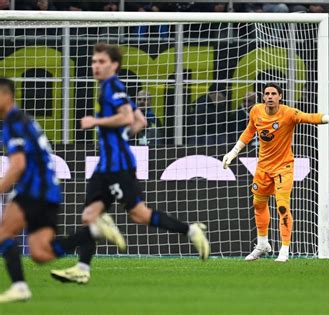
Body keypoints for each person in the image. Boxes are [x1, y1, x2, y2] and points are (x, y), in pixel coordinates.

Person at [50, 43, 210, 284]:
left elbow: (126, 118)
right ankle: (82, 267)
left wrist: (96, 121)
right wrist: (121, 135)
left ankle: (191, 231)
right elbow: (140, 121)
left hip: (117, 165)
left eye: (101, 62)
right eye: (94, 61)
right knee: (90, 215)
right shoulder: (112, 87)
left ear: (113, 65)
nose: (96, 66)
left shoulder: (112, 86)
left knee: (139, 216)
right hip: (106, 164)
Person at [0, 78, 117, 303]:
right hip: (48, 189)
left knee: (4, 233)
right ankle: (93, 232)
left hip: (34, 189)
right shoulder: (24, 121)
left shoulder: (14, 122)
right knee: (41, 253)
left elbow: (18, 165)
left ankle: (20, 286)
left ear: (7, 96)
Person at [222, 83, 329, 262]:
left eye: (273, 94)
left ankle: (284, 249)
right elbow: (249, 131)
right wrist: (233, 152)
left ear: (280, 96)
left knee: (282, 206)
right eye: (266, 93)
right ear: (263, 96)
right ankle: (262, 244)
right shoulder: (256, 111)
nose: (269, 96)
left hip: (284, 167)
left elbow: (310, 117)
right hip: (263, 168)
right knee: (258, 204)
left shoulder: (288, 113)